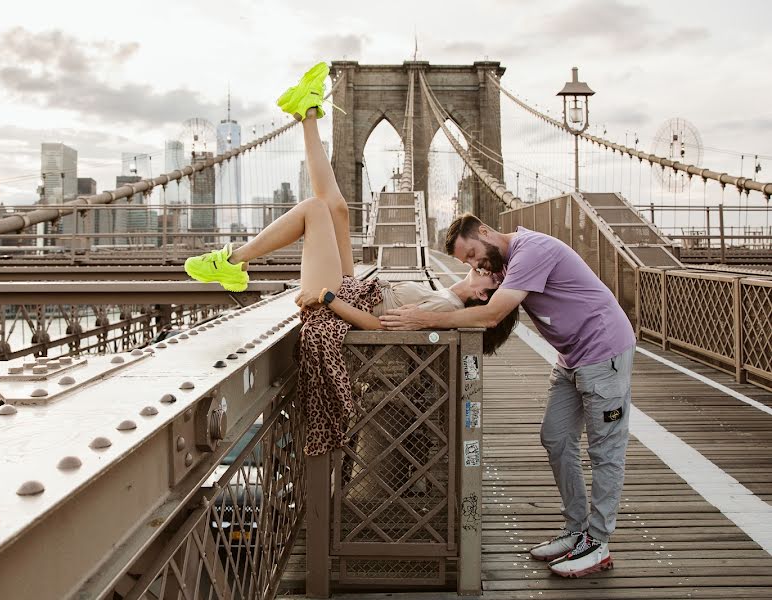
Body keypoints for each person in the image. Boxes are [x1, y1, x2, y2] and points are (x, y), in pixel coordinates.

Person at [184, 64, 518, 457]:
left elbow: (379, 325)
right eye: (490, 271)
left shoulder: (446, 306)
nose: (487, 271)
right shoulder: (445, 294)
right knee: (338, 208)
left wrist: (327, 298)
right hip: (355, 291)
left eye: (490, 279)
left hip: (339, 303)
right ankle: (306, 113)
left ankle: (233, 261)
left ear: (481, 298)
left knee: (314, 210)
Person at [380, 213, 636, 579]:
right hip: (571, 358)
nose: (474, 265)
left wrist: (425, 321)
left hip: (604, 351)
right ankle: (577, 530)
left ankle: (598, 542)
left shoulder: (532, 251)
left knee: (604, 449)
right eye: (466, 261)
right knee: (556, 438)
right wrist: (420, 306)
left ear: (484, 232)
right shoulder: (502, 262)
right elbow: (463, 291)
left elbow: (492, 315)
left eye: (472, 254)